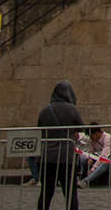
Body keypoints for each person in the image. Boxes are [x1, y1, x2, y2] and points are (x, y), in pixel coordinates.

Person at [36, 81, 85, 210]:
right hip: (66, 157)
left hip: (46, 157)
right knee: (70, 193)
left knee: (46, 192)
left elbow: (39, 128)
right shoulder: (72, 109)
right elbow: (81, 127)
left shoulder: (45, 110)